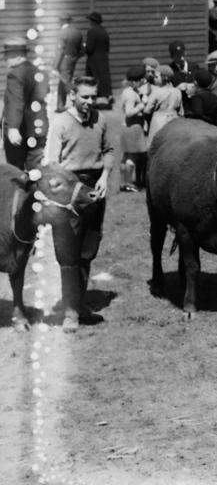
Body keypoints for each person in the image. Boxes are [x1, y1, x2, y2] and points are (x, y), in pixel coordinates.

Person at [45, 75, 115, 328]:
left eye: (92, 97)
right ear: (73, 95)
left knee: (88, 248)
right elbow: (52, 162)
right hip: (68, 190)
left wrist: (105, 176)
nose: (89, 102)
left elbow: (108, 150)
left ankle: (80, 304)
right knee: (68, 253)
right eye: (84, 97)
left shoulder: (101, 120)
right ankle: (70, 312)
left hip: (95, 188)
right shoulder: (61, 122)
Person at [3, 37, 48, 169]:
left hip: (20, 131)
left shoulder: (14, 75)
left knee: (16, 172)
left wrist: (13, 128)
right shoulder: (39, 72)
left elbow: (15, 102)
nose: (5, 60)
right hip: (39, 129)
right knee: (35, 171)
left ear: (16, 56)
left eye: (6, 56)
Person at [119, 64, 148, 192]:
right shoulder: (131, 94)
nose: (142, 83)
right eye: (140, 81)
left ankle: (124, 182)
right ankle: (129, 184)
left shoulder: (128, 91)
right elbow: (129, 112)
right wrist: (142, 105)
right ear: (135, 81)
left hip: (126, 127)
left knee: (126, 156)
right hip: (133, 127)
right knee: (132, 157)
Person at [144, 64, 183, 140]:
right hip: (174, 121)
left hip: (159, 122)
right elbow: (181, 111)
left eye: (156, 77)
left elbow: (147, 110)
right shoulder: (177, 91)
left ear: (164, 77)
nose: (154, 79)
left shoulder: (156, 92)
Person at [55, 13, 83, 111]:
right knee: (64, 82)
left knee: (65, 83)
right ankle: (60, 105)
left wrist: (55, 66)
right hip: (72, 60)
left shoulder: (62, 32)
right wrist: (74, 58)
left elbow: (60, 51)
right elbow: (82, 51)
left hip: (64, 61)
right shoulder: (77, 32)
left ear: (62, 21)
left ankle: (79, 100)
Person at [84, 12, 112, 108]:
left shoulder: (92, 31)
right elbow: (107, 47)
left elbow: (89, 48)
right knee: (103, 78)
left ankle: (94, 100)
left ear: (93, 21)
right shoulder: (104, 31)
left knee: (92, 79)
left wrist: (84, 47)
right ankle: (105, 98)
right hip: (103, 58)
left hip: (93, 60)